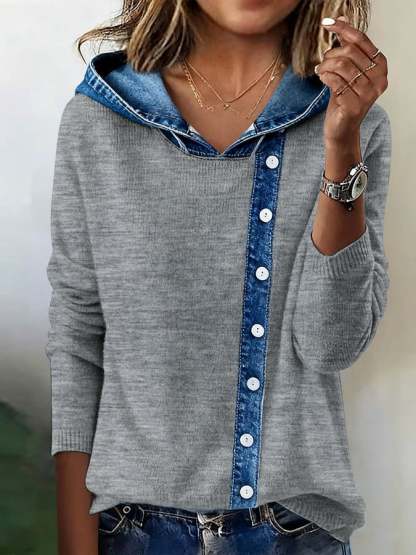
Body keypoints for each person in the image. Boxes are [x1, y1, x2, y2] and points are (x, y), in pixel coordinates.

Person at [45, 0, 391, 553]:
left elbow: (331, 346)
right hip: (131, 531)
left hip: (295, 532)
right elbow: (77, 337)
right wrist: (73, 543)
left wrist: (341, 146)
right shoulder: (97, 120)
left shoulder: (355, 122)